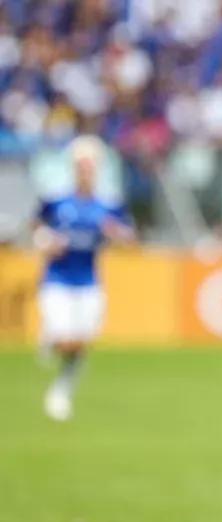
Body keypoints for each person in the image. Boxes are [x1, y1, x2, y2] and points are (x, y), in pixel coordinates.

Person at [33, 135, 135, 421]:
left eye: (90, 166)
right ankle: (50, 340)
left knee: (80, 343)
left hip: (88, 281)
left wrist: (116, 234)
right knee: (65, 340)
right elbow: (35, 227)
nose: (85, 171)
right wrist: (46, 241)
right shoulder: (56, 200)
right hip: (57, 280)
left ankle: (60, 390)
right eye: (81, 165)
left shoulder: (108, 204)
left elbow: (129, 238)